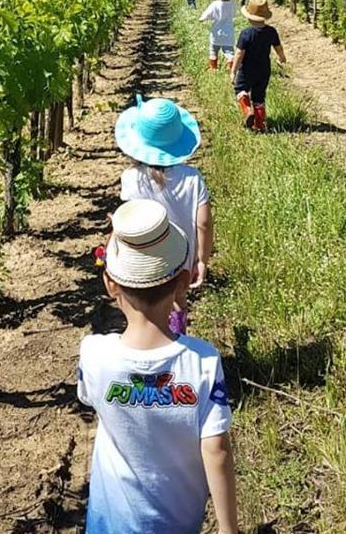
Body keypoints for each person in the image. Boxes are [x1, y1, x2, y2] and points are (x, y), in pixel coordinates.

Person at [79, 199, 238, 534]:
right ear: (181, 283)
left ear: (110, 285)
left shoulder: (94, 355)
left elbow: (93, 399)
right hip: (177, 522)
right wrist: (228, 528)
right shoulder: (203, 362)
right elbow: (216, 449)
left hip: (109, 524)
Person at [116, 96, 212, 335]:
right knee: (178, 299)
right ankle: (177, 339)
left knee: (144, 305)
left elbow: (128, 219)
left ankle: (150, 342)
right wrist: (202, 259)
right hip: (181, 258)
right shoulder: (192, 178)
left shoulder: (131, 178)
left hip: (145, 256)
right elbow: (203, 223)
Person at [231, 0, 286, 132]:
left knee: (240, 89)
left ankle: (247, 109)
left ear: (249, 16)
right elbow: (278, 47)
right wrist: (281, 57)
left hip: (247, 70)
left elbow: (239, 53)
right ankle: (260, 124)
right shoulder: (271, 32)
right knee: (259, 96)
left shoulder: (246, 34)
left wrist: (233, 70)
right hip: (264, 70)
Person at [199, 0, 236, 71]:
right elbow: (234, 13)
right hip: (228, 32)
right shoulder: (232, 4)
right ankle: (230, 66)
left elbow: (206, 14)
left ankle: (213, 68)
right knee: (229, 51)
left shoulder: (215, 4)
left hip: (216, 32)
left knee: (213, 51)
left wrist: (202, 19)